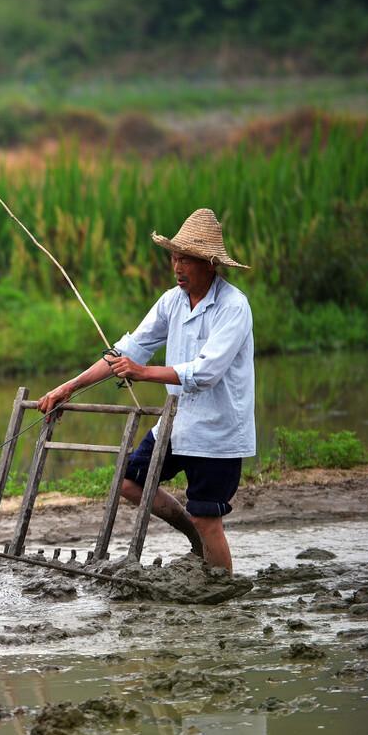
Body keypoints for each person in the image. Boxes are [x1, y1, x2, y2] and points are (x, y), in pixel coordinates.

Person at [37, 208, 254, 574]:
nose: (177, 266)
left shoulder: (233, 307)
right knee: (128, 482)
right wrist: (69, 387)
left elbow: (206, 372)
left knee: (208, 518)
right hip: (178, 425)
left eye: (187, 259)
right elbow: (128, 350)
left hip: (218, 431)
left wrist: (142, 372)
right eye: (174, 257)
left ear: (211, 264)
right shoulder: (171, 302)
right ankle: (193, 537)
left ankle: (223, 590)